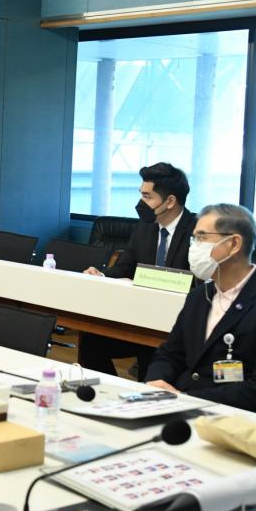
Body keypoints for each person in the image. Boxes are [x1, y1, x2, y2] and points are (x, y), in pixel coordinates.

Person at [145, 204, 256, 415]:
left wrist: (187, 399)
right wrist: (157, 382)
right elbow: (170, 353)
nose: (194, 246)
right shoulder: (199, 296)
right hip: (180, 406)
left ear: (234, 244)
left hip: (232, 417)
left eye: (202, 237)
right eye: (194, 238)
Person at [79, 162, 197, 380]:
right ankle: (112, 392)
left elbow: (198, 282)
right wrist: (102, 276)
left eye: (147, 196)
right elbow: (126, 265)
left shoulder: (198, 230)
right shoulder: (145, 227)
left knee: (151, 359)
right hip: (142, 315)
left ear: (170, 201)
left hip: (177, 325)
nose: (140, 203)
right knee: (90, 342)